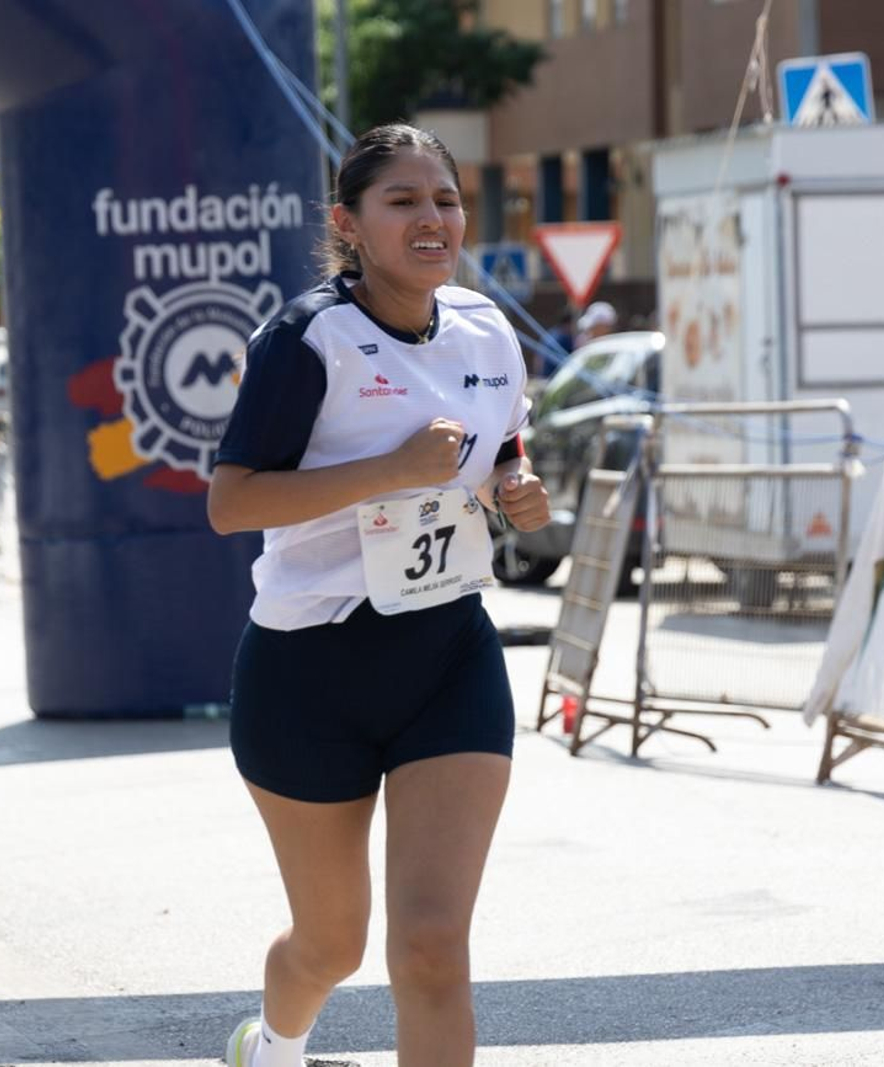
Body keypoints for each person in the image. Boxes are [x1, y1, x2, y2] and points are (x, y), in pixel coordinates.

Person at [208, 123, 551, 1067]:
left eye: (443, 198)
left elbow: (505, 446)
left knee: (433, 946)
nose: (431, 217)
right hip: (308, 672)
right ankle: (274, 1042)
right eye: (401, 201)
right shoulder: (306, 338)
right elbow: (231, 504)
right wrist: (389, 469)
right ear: (348, 224)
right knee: (333, 944)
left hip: (448, 656)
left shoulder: (486, 327)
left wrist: (515, 488)